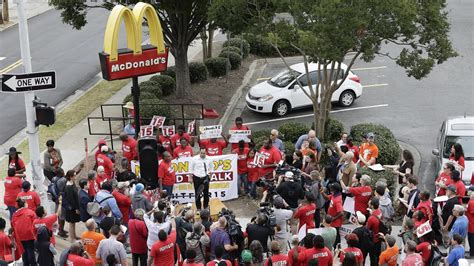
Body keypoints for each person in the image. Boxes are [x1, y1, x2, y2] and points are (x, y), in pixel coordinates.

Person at [12, 198, 37, 266]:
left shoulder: (14, 214)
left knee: (24, 253)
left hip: (19, 237)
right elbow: (35, 223)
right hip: (29, 235)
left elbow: (13, 226)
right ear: (25, 204)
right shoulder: (30, 212)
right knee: (30, 251)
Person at [322, 183, 344, 248]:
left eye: (331, 188)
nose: (330, 188)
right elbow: (326, 198)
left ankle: (338, 251)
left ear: (334, 189)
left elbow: (341, 213)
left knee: (337, 238)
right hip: (332, 221)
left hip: (336, 223)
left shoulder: (337, 200)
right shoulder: (334, 195)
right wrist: (322, 192)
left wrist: (333, 219)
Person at [51, 168, 68, 238]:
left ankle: (60, 229)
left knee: (59, 215)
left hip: (56, 199)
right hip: (62, 199)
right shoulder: (63, 180)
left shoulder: (54, 178)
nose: (64, 172)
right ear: (61, 173)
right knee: (62, 216)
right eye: (63, 171)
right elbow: (68, 179)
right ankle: (61, 231)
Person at [366, 197, 383, 266]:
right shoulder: (380, 212)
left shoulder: (371, 218)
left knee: (372, 258)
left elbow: (367, 228)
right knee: (378, 256)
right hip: (379, 237)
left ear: (372, 206)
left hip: (373, 239)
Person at [467, 192, 474, 257]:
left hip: (472, 225)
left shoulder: (471, 202)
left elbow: (472, 212)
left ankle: (472, 254)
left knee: (471, 240)